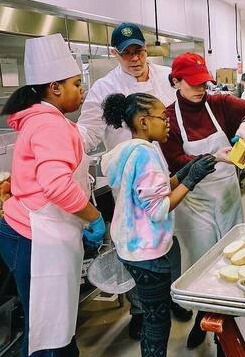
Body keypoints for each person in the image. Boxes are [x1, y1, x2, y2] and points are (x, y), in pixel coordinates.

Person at [0, 34, 107, 357]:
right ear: (55, 87)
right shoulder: (48, 124)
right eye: (76, 83)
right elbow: (57, 186)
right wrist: (93, 217)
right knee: (46, 327)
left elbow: (37, 173)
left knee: (58, 319)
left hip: (38, 232)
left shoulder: (45, 120)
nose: (81, 89)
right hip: (35, 238)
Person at [77, 23, 190, 339]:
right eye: (126, 53)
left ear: (146, 49)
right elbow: (87, 132)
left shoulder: (166, 78)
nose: (134, 58)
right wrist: (61, 140)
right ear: (115, 54)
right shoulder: (104, 88)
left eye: (138, 50)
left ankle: (173, 296)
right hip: (129, 184)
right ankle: (140, 309)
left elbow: (186, 112)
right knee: (136, 247)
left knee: (171, 239)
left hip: (168, 172)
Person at [100, 92, 216, 357]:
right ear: (143, 121)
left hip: (130, 246)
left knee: (154, 314)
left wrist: (186, 171)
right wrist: (193, 181)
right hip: (147, 251)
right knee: (156, 320)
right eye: (163, 118)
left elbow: (157, 188)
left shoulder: (130, 150)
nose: (168, 124)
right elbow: (159, 209)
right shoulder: (147, 155)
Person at [160, 52, 245, 351]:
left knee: (233, 257)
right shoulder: (169, 118)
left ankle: (225, 325)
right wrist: (209, 158)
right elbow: (175, 160)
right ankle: (203, 321)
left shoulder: (218, 104)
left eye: (203, 82)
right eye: (192, 83)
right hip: (194, 203)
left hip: (228, 196)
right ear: (175, 81)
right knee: (203, 264)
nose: (200, 88)